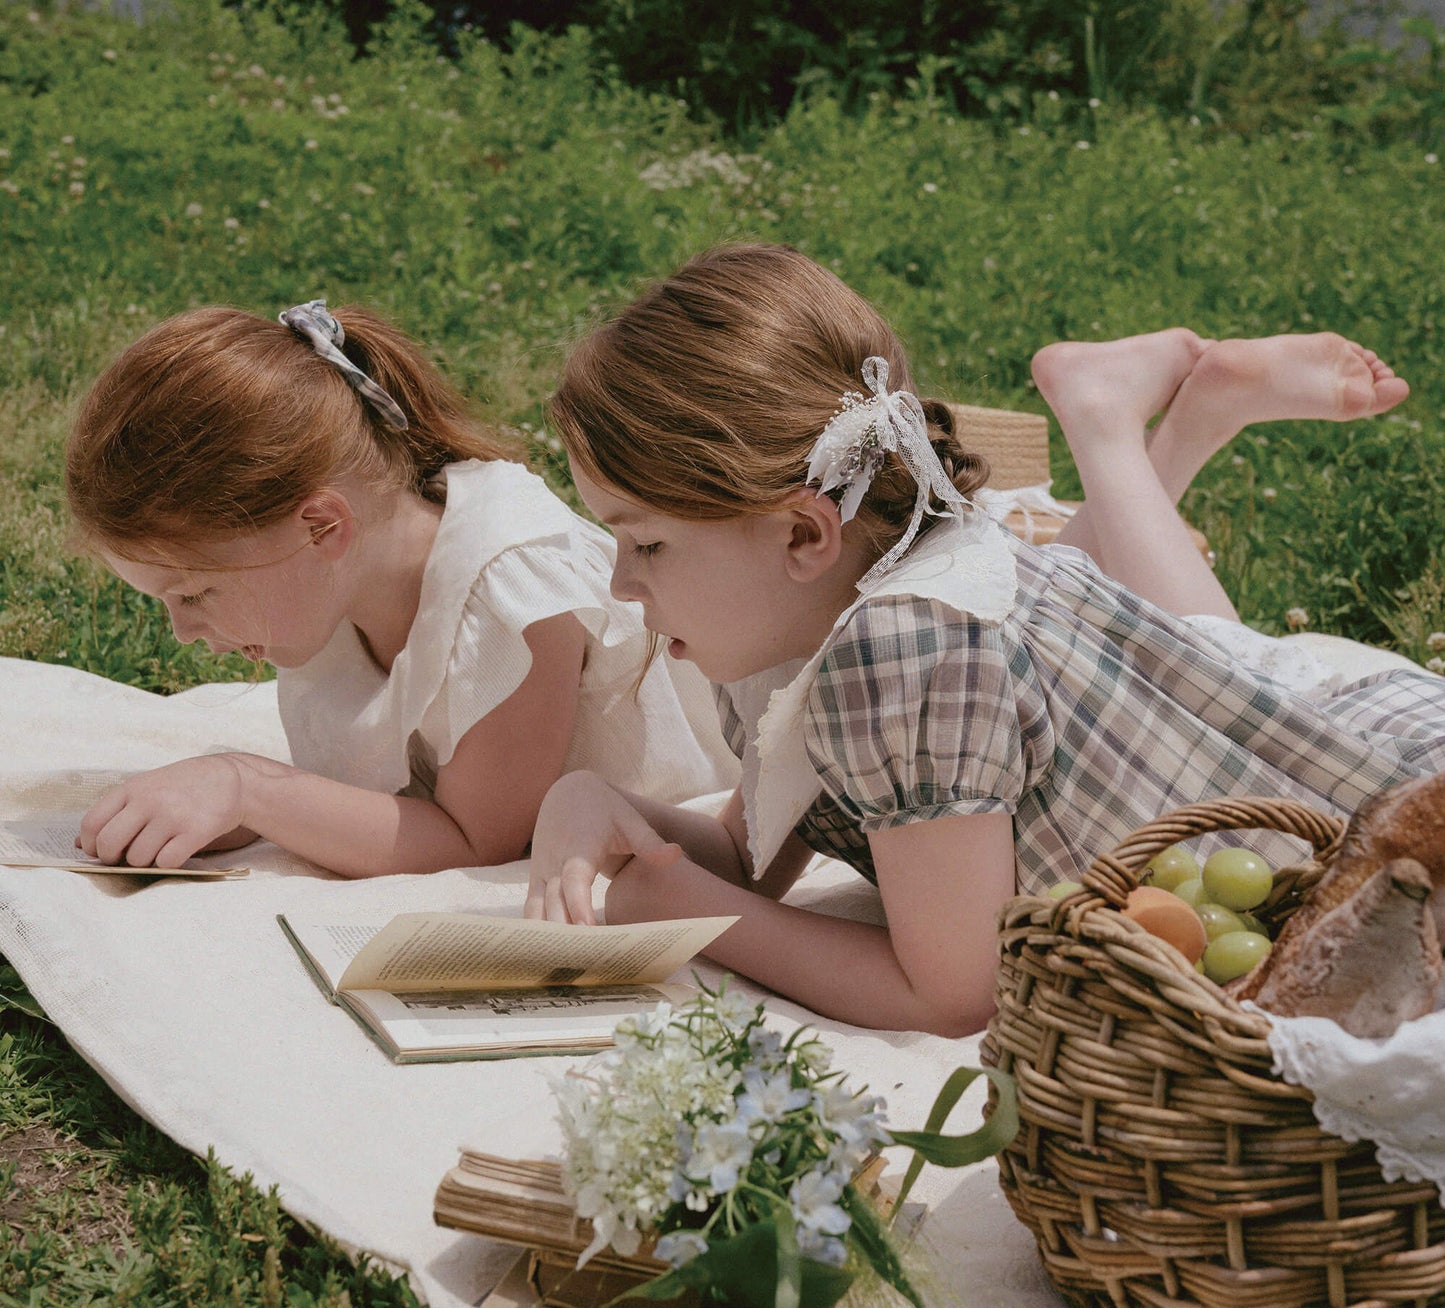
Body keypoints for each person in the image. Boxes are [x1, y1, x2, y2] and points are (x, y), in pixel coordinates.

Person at [523, 243, 1445, 1035]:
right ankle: (1130, 424)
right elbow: (750, 856)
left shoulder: (903, 647)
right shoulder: (793, 619)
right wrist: (593, 800)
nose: (620, 583)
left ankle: (1121, 423)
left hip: (1379, 884)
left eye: (646, 543)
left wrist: (693, 913)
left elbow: (950, 991)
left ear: (804, 534)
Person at [64, 300, 736, 877]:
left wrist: (250, 789)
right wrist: (229, 811)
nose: (183, 631)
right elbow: (377, 790)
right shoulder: (327, 583)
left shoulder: (508, 589)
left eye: (194, 595)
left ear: (322, 527)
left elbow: (475, 840)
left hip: (693, 842)